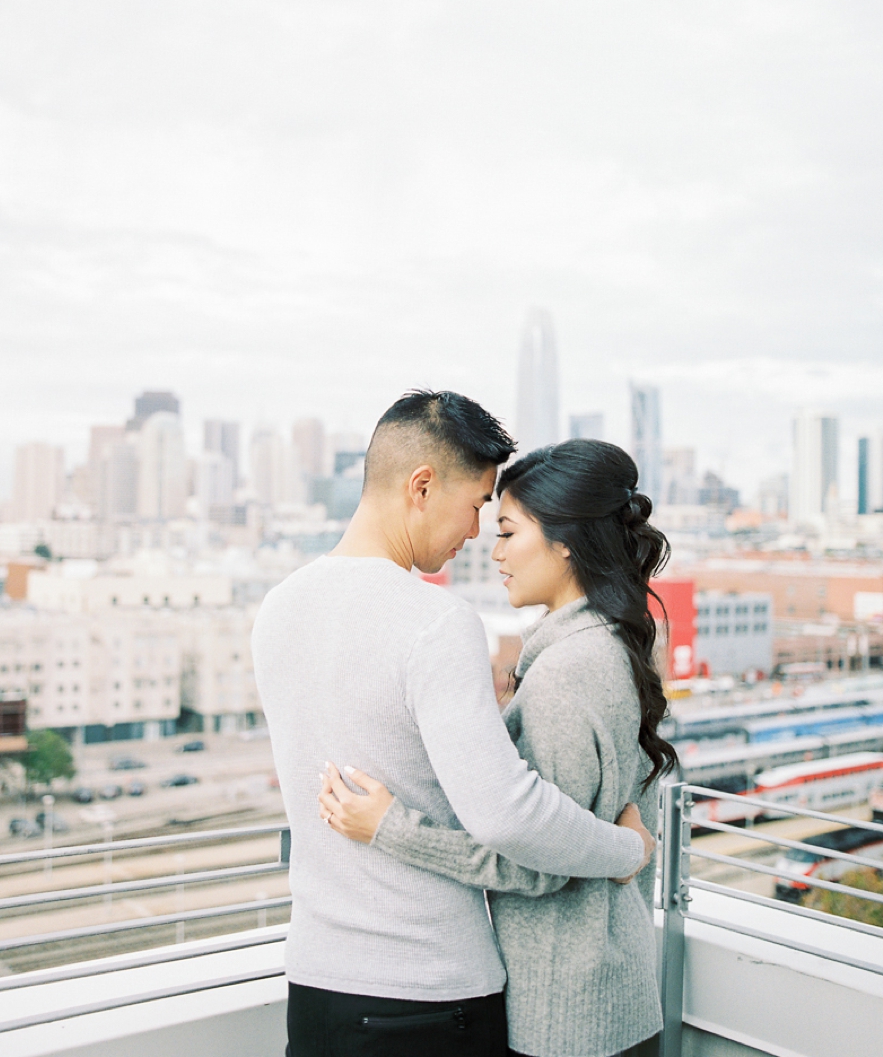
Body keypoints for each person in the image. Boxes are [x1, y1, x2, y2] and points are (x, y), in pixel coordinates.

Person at [252, 392, 656, 1057]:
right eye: (475, 506)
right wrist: (627, 853)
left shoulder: (277, 608)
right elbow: (509, 817)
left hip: (317, 984)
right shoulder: (435, 624)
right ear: (421, 486)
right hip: (431, 994)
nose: (474, 532)